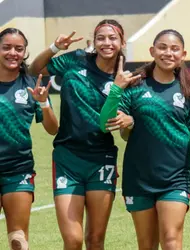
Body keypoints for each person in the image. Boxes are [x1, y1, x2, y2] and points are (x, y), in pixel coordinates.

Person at [28, 20, 132, 250]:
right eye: (101, 38)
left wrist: (129, 121)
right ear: (92, 42)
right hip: (67, 158)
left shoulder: (124, 79)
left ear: (122, 42)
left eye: (113, 38)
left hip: (101, 159)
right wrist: (54, 47)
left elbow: (125, 133)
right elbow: (34, 69)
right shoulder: (75, 59)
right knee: (73, 240)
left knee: (95, 240)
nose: (107, 42)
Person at [99, 29, 190, 250]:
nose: (168, 53)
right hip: (139, 179)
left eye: (175, 49)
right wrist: (117, 89)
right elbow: (104, 123)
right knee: (146, 245)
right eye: (163, 47)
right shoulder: (135, 87)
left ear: (183, 54)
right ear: (152, 51)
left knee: (172, 242)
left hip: (175, 180)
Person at [0, 28, 58, 250]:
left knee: (19, 239)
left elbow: (53, 129)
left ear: (24, 53)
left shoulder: (32, 84)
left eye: (18, 48)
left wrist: (43, 102)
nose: (12, 53)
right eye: (6, 47)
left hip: (18, 169)